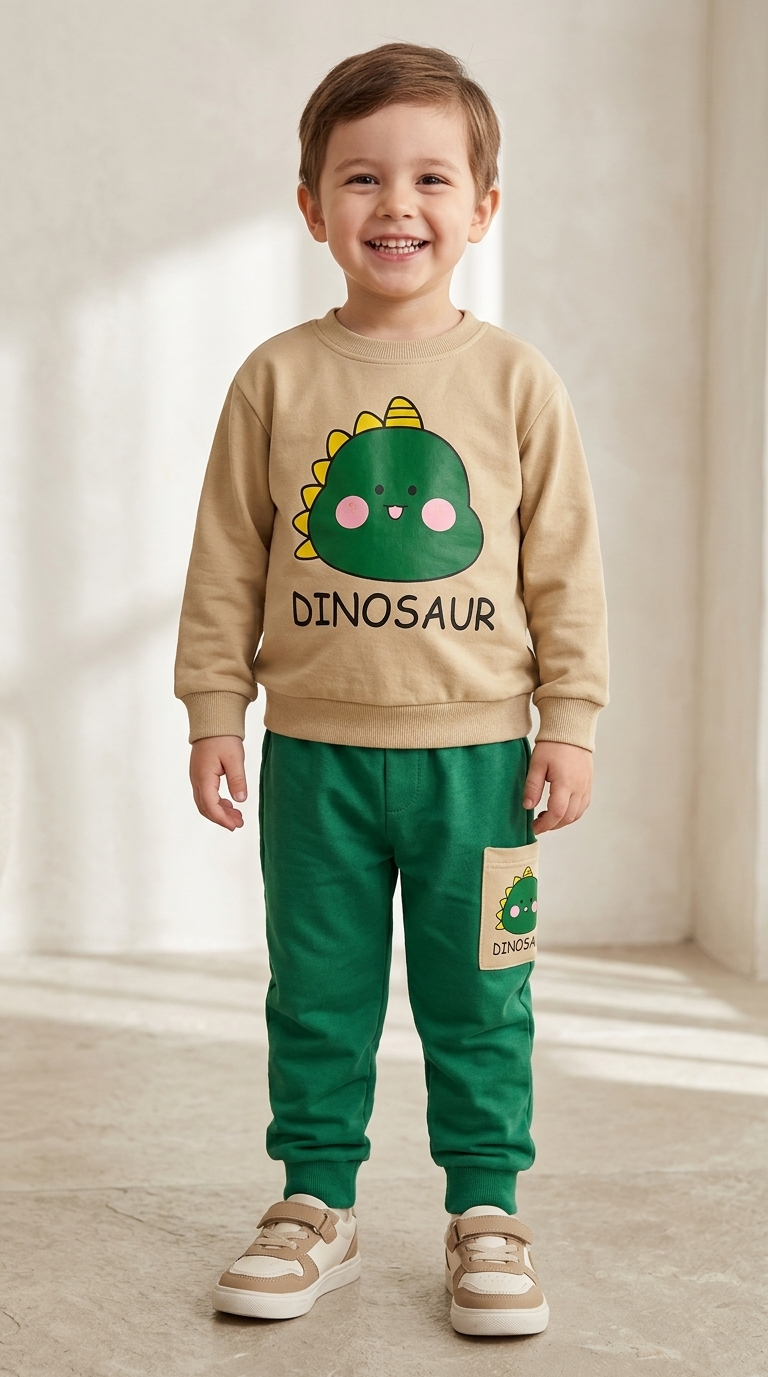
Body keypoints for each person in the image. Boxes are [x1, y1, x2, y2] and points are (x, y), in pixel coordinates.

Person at [174, 41, 608, 1338]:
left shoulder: (516, 380)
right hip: (314, 760)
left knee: (484, 997)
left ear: (483, 206)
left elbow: (565, 565)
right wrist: (213, 708)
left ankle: (488, 1210)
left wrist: (572, 721)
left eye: (431, 178)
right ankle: (315, 1203)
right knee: (317, 993)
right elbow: (226, 559)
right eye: (362, 178)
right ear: (314, 206)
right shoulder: (275, 377)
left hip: (483, 769)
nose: (396, 205)